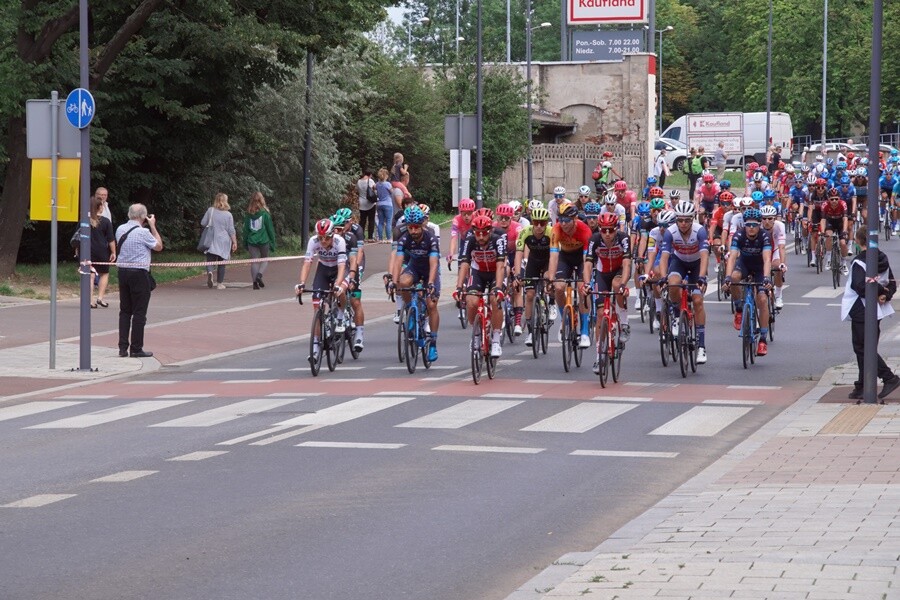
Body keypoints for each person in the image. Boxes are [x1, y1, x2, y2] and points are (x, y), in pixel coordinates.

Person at [841, 226, 900, 402]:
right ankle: (862, 385)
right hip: (877, 310)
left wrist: (878, 291)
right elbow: (892, 284)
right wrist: (884, 294)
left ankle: (889, 378)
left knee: (862, 347)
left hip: (861, 308)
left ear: (858, 241)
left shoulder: (860, 262)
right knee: (867, 346)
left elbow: (859, 286)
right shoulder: (882, 259)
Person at [115, 204, 163, 358]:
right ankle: (136, 348)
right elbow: (158, 247)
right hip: (139, 273)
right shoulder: (144, 232)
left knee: (125, 311)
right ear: (143, 216)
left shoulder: (120, 229)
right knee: (139, 312)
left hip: (122, 272)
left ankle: (122, 348)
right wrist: (153, 226)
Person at [200, 193, 238, 290]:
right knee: (222, 263)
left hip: (211, 239)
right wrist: (234, 242)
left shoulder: (210, 210)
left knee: (210, 260)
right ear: (225, 201)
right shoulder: (228, 215)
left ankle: (210, 272)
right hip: (224, 241)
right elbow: (231, 230)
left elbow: (203, 223)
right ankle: (220, 284)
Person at [85, 195, 116, 308]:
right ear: (99, 207)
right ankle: (100, 298)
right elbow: (111, 239)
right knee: (104, 273)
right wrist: (113, 252)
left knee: (90, 275)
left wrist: (77, 250)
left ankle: (90, 300)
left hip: (87, 250)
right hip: (101, 251)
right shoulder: (106, 221)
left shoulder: (84, 220)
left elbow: (78, 237)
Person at [242, 191, 276, 290]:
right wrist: (272, 242)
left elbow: (245, 230)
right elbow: (270, 229)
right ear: (262, 200)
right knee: (264, 259)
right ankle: (259, 275)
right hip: (264, 240)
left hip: (251, 241)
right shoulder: (265, 214)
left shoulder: (248, 214)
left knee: (254, 262)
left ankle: (254, 283)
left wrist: (245, 242)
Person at [357, 170, 377, 242]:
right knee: (371, 220)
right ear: (370, 175)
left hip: (361, 203)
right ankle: (370, 237)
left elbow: (358, 191)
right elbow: (375, 189)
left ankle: (360, 236)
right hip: (370, 203)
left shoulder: (359, 181)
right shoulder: (370, 181)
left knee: (362, 221)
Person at [374, 167, 394, 242]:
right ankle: (389, 238)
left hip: (379, 204)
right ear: (385, 176)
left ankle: (380, 239)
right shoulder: (388, 184)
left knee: (381, 222)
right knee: (388, 221)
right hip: (388, 204)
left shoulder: (377, 184)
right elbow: (392, 192)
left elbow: (373, 188)